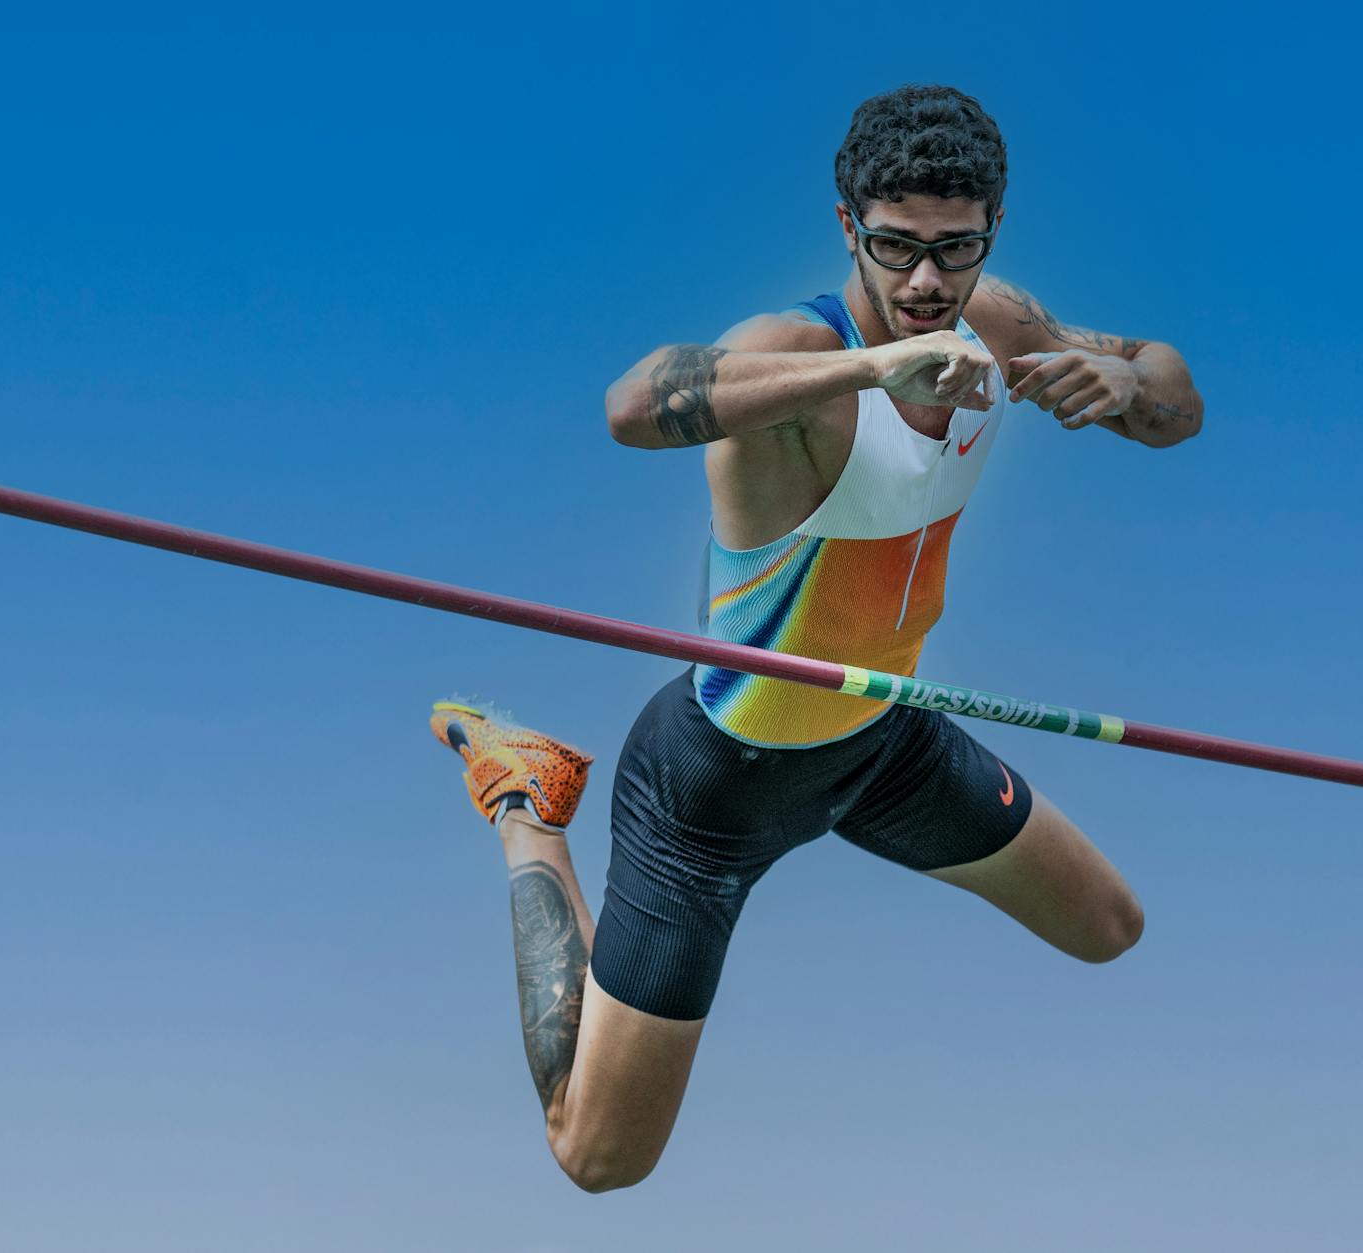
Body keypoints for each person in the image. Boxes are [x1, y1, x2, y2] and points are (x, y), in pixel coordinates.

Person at [428, 84, 1203, 1192]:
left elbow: (1175, 395)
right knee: (597, 1157)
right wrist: (870, 368)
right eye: (894, 247)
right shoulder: (793, 354)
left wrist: (1125, 381)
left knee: (1108, 926)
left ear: (991, 232)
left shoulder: (1001, 320)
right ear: (848, 228)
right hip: (716, 788)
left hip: (885, 744)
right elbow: (633, 403)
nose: (925, 281)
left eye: (953, 248)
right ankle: (522, 801)